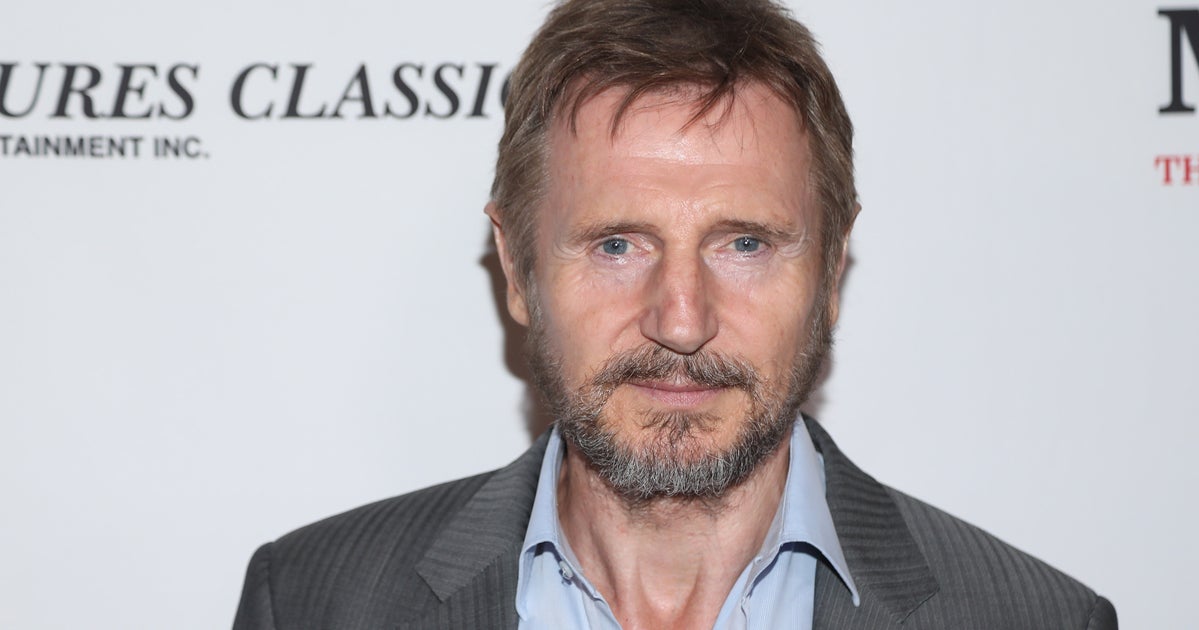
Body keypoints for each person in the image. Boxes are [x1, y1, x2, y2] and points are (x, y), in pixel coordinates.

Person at [233, 0, 1117, 628]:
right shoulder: (314, 602)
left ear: (831, 267)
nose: (682, 321)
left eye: (745, 244)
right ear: (516, 268)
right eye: (618, 244)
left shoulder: (1033, 618)